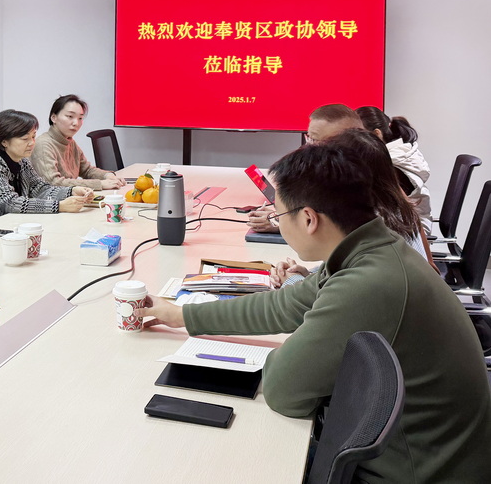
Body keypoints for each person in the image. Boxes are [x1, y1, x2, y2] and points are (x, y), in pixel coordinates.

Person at [137, 141, 491, 482]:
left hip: (415, 472)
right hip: (407, 452)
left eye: (279, 215)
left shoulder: (368, 282)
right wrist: (181, 315)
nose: (278, 223)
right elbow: (285, 305)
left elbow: (284, 390)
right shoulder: (368, 247)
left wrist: (296, 352)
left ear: (308, 219)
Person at [270, 129, 436, 287]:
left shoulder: (374, 223)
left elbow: (345, 290)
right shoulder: (392, 206)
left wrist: (294, 282)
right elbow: (343, 271)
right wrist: (308, 277)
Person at [0, 109, 94, 228]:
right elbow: (10, 203)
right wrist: (59, 206)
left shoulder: (22, 161)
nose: (32, 143)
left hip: (4, 224)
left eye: (33, 137)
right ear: (4, 141)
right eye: (25, 139)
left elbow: (40, 189)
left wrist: (71, 191)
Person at [248, 103, 364, 233]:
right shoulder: (326, 173)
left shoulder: (363, 183)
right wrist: (282, 218)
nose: (310, 148)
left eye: (318, 141)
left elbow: (336, 230)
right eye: (310, 138)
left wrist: (281, 224)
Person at [356, 105, 431, 234]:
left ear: (377, 134)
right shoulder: (401, 153)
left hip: (411, 235)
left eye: (358, 136)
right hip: (405, 228)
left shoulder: (393, 164)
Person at [31, 94, 126, 190]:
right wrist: (99, 184)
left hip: (71, 196)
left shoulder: (70, 142)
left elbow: (87, 170)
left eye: (80, 118)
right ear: (54, 118)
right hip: (54, 199)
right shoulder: (43, 145)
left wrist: (107, 176)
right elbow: (53, 183)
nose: (76, 123)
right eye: (70, 116)